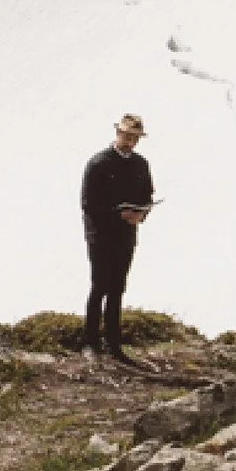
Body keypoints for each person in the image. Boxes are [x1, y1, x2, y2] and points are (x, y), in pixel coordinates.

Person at [81, 113, 155, 362]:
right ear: (117, 133)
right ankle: (90, 342)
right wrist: (117, 215)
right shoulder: (98, 163)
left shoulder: (141, 165)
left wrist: (141, 215)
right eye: (127, 135)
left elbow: (148, 195)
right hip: (101, 236)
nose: (130, 141)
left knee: (118, 287)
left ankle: (114, 344)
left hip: (126, 235)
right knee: (100, 285)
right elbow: (88, 204)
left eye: (135, 137)